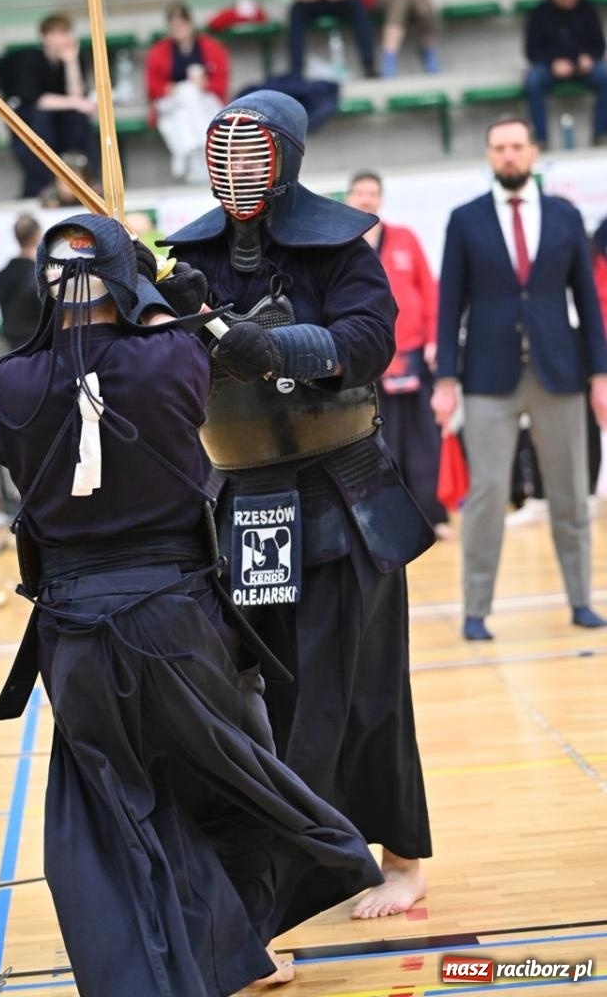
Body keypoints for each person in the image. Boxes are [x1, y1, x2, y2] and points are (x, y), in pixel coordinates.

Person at [0, 213, 383, 995]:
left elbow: (70, 384)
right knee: (227, 787)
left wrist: (130, 292)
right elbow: (200, 353)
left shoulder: (8, 381)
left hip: (74, 638)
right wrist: (162, 292)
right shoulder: (169, 357)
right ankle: (225, 955)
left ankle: (208, 964)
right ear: (126, 283)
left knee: (118, 814)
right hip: (174, 624)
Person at [162, 90, 434, 919]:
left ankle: (396, 859)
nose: (238, 170)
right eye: (226, 152)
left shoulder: (341, 245)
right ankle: (307, 851)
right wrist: (155, 307)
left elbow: (368, 340)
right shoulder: (192, 255)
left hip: (342, 491)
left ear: (286, 158)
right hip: (246, 494)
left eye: (255, 153)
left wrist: (274, 345)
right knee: (269, 689)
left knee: (361, 684)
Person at [431, 116, 607, 640]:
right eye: (499, 147)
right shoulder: (465, 220)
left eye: (517, 146)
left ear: (533, 152)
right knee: (486, 494)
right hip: (488, 375)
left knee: (571, 493)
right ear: (489, 155)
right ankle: (476, 609)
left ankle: (581, 599)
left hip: (561, 371)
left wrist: (600, 373)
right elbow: (449, 305)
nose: (508, 155)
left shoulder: (564, 215)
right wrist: (445, 379)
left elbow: (587, 301)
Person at [345, 171, 449, 534]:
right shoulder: (341, 243)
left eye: (372, 193)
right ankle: (386, 519)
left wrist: (436, 338)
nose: (366, 199)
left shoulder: (405, 238)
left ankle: (433, 515)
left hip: (414, 352)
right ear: (349, 198)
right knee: (376, 439)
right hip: (369, 356)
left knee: (423, 439)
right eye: (360, 193)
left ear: (381, 198)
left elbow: (430, 289)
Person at [0, 13, 100, 199]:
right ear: (45, 36)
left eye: (66, 32)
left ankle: (88, 180)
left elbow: (75, 96)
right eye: (58, 33)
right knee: (43, 119)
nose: (65, 38)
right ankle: (46, 187)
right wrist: (77, 102)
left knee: (79, 119)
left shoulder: (75, 58)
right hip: (33, 126)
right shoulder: (31, 60)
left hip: (61, 125)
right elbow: (40, 101)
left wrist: (71, 63)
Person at [144, 1, 230, 184]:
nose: (179, 29)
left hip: (202, 101)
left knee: (191, 95)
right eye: (174, 26)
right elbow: (153, 87)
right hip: (172, 104)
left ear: (191, 24)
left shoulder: (210, 48)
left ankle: (184, 152)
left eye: (182, 24)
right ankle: (199, 152)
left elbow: (221, 82)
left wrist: (204, 84)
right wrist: (171, 88)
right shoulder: (159, 52)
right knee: (185, 93)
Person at [524, 0, 607, 149]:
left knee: (605, 75)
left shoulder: (587, 9)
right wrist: (552, 63)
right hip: (550, 67)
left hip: (582, 67)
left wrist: (589, 58)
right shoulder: (540, 12)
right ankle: (540, 140)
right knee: (532, 80)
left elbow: (599, 44)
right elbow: (531, 50)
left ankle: (601, 134)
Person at [0, 214, 43, 351]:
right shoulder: (38, 274)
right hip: (37, 344)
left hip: (13, 345)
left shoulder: (4, 273)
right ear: (37, 235)